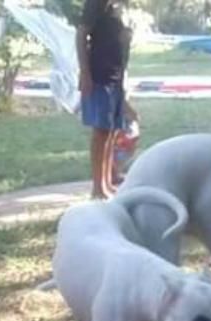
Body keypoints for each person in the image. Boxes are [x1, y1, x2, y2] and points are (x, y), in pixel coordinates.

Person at [76, 0, 133, 199]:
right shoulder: (95, 3)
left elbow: (123, 41)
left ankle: (107, 182)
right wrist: (85, 73)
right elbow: (81, 34)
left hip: (116, 76)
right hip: (99, 75)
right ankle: (97, 188)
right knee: (100, 132)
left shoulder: (120, 6)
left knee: (111, 132)